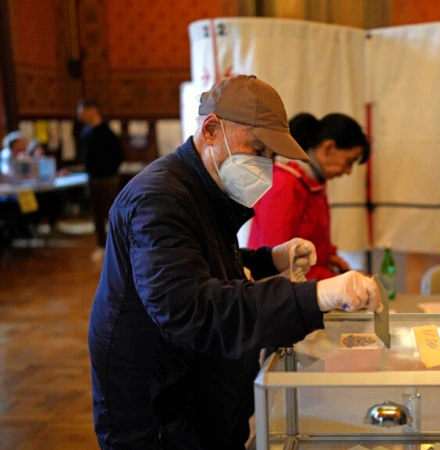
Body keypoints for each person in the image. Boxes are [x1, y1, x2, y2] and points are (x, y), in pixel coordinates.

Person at [88, 75, 382, 449]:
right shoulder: (157, 198)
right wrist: (315, 296)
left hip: (197, 398)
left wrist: (267, 260)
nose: (266, 165)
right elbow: (189, 306)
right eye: (258, 149)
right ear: (211, 130)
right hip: (158, 415)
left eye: (271, 155)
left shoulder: (199, 184)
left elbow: (198, 257)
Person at [248, 112, 370, 280]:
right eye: (349, 161)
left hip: (302, 288)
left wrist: (330, 257)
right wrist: (335, 281)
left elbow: (313, 239)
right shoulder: (284, 184)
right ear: (329, 147)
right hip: (279, 294)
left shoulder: (312, 183)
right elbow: (278, 263)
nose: (348, 171)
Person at [77, 98, 124, 261]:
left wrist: (109, 171)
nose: (80, 115)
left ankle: (117, 248)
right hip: (93, 177)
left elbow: (118, 155)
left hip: (107, 178)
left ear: (92, 110)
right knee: (97, 215)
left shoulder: (107, 132)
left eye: (83, 111)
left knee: (112, 214)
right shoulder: (86, 132)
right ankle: (101, 246)